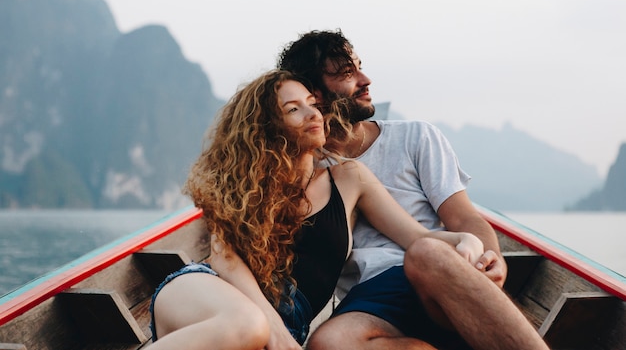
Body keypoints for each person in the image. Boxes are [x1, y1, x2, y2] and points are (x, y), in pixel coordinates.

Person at [148, 69, 484, 350]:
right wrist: (271, 326)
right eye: (294, 109)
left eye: (312, 104)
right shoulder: (244, 185)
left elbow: (419, 237)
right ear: (267, 126)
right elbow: (224, 257)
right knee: (247, 324)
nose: (313, 115)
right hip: (209, 296)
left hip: (284, 331)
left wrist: (466, 242)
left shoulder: (349, 179)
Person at [277, 30, 550, 350]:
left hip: (440, 274)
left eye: (360, 66)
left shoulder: (416, 137)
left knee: (426, 253)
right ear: (314, 93)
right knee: (329, 342)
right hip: (372, 299)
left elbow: (464, 218)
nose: (365, 79)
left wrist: (493, 259)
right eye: (348, 73)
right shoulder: (307, 167)